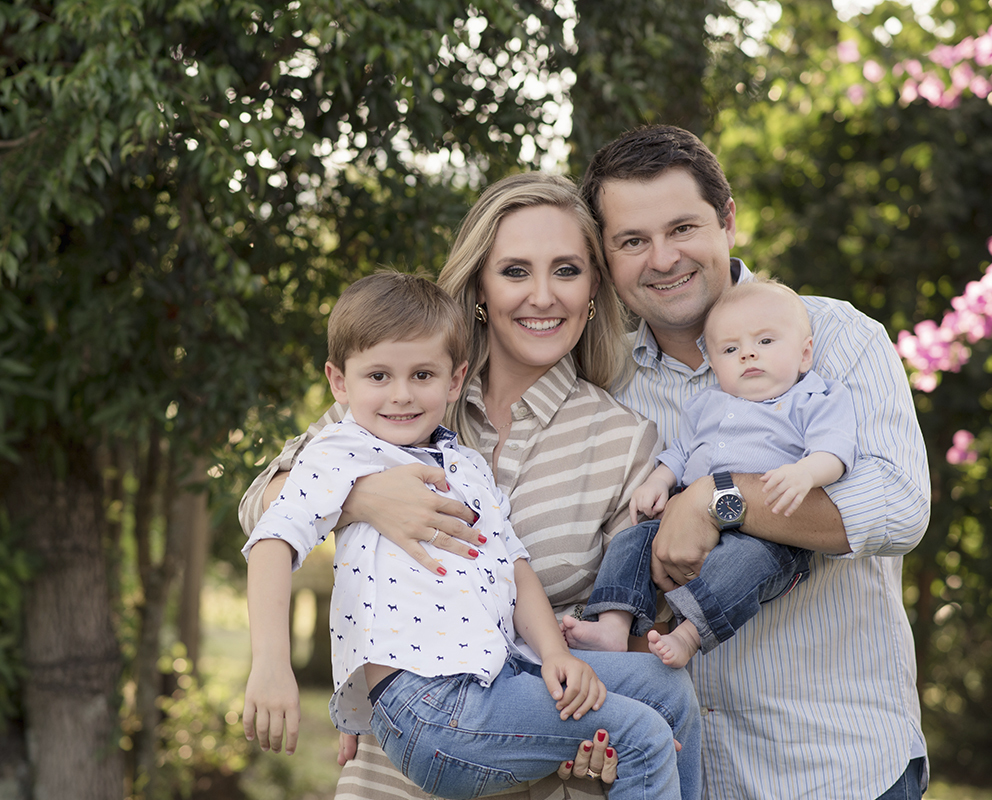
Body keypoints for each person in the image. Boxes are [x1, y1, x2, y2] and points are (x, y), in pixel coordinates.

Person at [238, 172, 703, 800]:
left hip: (528, 734)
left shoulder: (624, 441)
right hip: (393, 769)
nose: (542, 295)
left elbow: (615, 612)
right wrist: (366, 499)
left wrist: (574, 682)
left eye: (566, 270)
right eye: (514, 271)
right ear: (480, 286)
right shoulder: (402, 391)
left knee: (663, 698)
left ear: (594, 286)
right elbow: (264, 507)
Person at [581, 124, 929, 799]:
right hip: (681, 774)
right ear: (606, 256)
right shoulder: (604, 382)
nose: (662, 258)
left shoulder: (831, 337)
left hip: (838, 770)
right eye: (631, 241)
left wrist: (718, 498)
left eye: (682, 228)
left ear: (728, 220)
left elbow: (897, 503)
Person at [562, 279, 856, 669]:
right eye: (731, 350)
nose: (748, 354)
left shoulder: (812, 397)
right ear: (715, 365)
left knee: (740, 568)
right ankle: (613, 624)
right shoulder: (708, 404)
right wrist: (659, 481)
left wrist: (806, 473)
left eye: (765, 342)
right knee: (631, 542)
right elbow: (682, 451)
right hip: (682, 520)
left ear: (804, 355)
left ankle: (688, 634)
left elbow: (834, 450)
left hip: (767, 535)